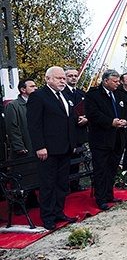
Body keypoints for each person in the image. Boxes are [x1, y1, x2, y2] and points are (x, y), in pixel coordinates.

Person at [27, 66, 78, 230]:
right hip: (48, 149)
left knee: (62, 183)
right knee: (48, 184)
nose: (62, 81)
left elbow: (68, 120)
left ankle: (58, 211)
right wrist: (40, 146)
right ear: (48, 79)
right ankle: (47, 217)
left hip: (65, 147)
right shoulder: (38, 96)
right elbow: (34, 124)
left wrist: (73, 143)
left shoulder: (64, 96)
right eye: (58, 78)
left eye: (63, 78)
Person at [85, 69, 127, 210]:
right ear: (105, 81)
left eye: (118, 81)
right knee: (101, 169)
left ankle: (109, 194)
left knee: (112, 167)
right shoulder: (93, 95)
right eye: (115, 81)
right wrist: (111, 122)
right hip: (101, 138)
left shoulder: (119, 94)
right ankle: (101, 198)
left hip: (117, 137)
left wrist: (125, 121)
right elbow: (93, 114)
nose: (118, 84)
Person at [4, 78, 39, 211]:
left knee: (33, 174)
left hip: (34, 145)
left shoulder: (35, 104)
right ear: (23, 90)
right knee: (21, 175)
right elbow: (12, 127)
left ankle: (31, 199)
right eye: (32, 86)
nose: (35, 88)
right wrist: (18, 146)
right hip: (23, 147)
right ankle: (18, 204)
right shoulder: (13, 106)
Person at [63, 67, 89, 192]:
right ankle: (65, 185)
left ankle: (75, 184)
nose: (73, 78)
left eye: (75, 75)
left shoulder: (81, 93)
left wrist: (86, 119)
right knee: (66, 161)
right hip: (67, 133)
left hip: (79, 132)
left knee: (77, 160)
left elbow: (89, 110)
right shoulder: (62, 93)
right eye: (70, 76)